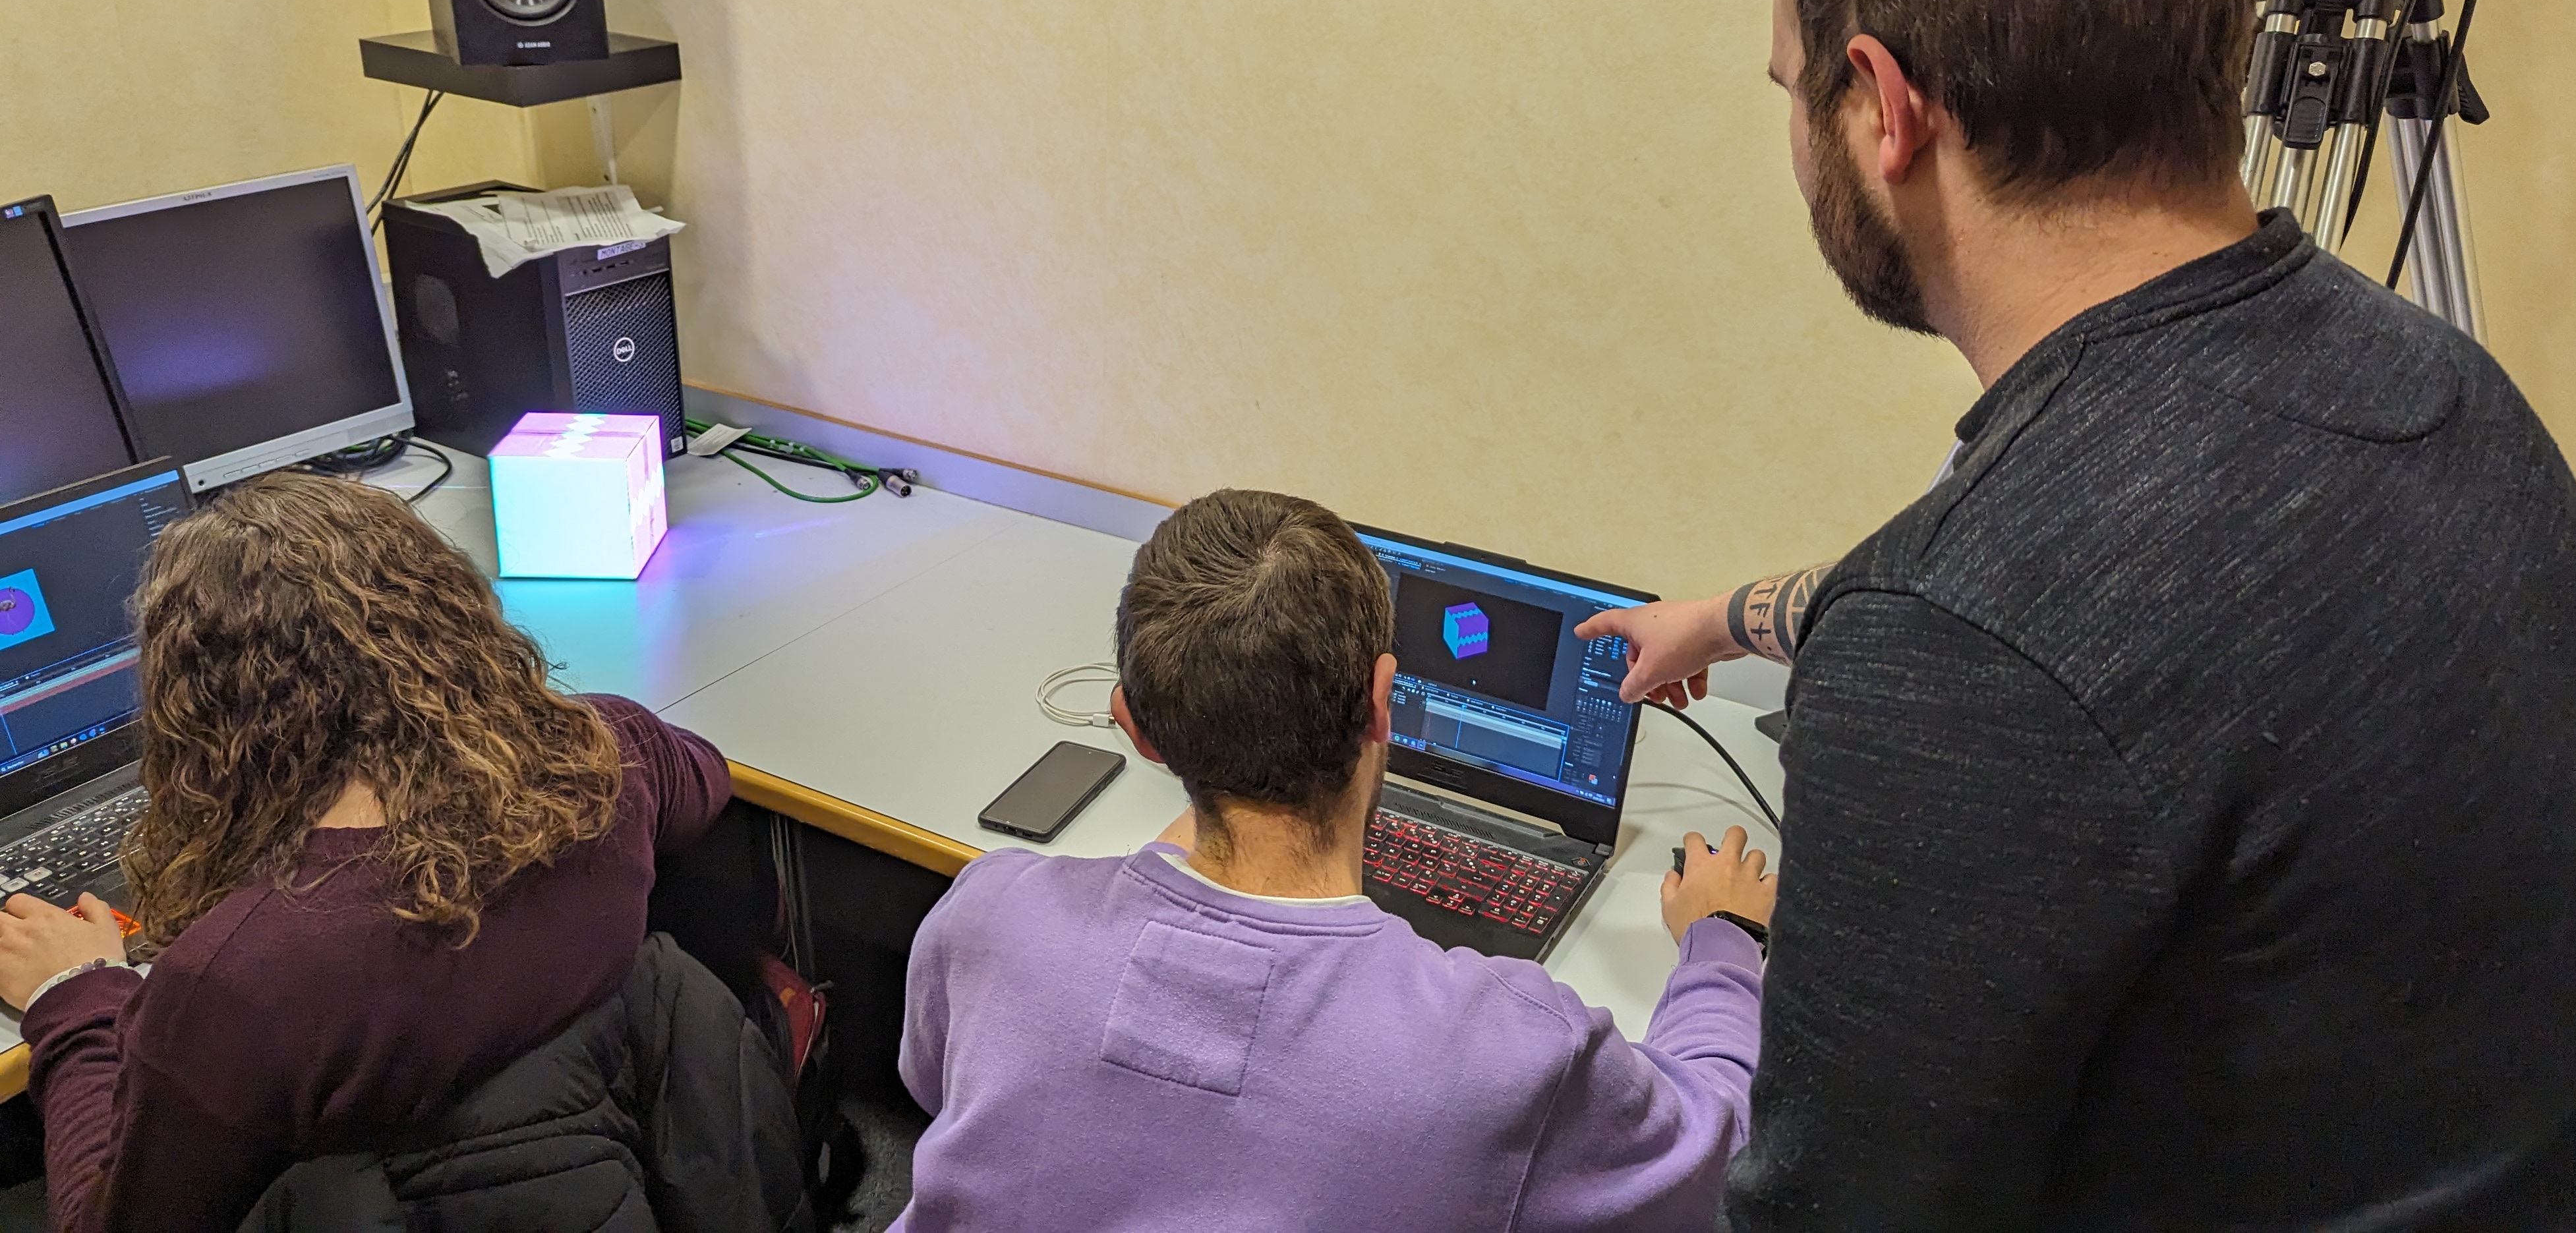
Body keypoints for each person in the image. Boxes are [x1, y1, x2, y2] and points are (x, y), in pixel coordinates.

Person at [1577, 0, 2576, 1227]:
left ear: (1884, 105)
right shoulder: (2444, 391)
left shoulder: (1960, 645)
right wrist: (1733, 616)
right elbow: (2121, 612)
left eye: (1793, 86)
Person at [894, 489, 1774, 1232]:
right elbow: (1719, 1154)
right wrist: (1726, 938)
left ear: (1137, 729)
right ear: (1384, 704)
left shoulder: (987, 914)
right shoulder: (1512, 1051)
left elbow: (936, 1089)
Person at [0, 473, 740, 1232]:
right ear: (447, 620)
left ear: (203, 704)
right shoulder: (610, 756)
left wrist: (74, 993)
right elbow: (705, 780)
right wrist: (523, 718)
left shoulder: (235, 982)